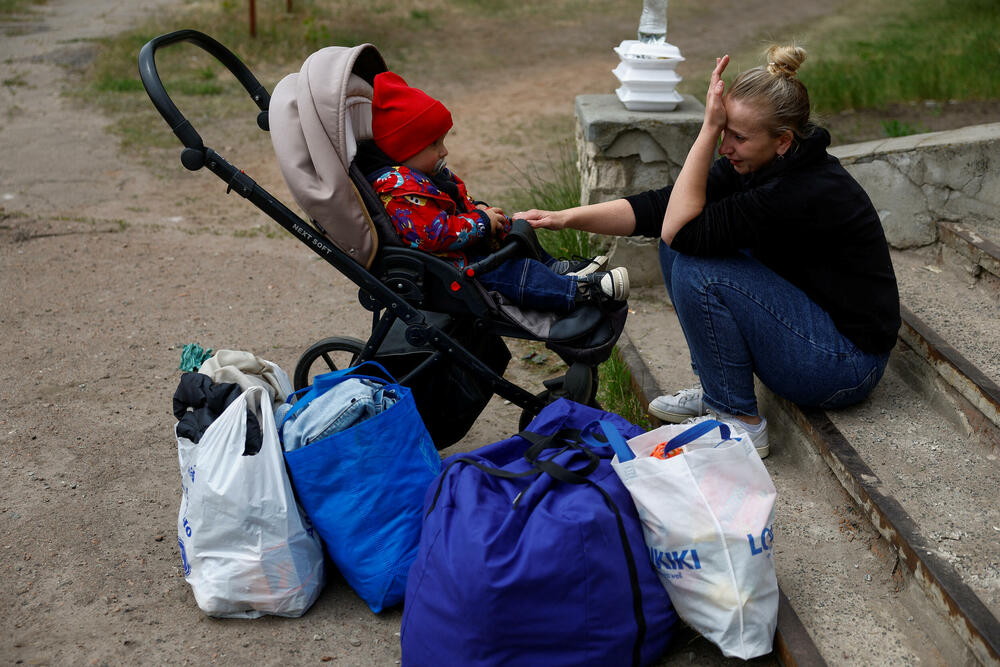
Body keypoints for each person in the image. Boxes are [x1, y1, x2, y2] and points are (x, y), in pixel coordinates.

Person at [516, 45, 900, 458]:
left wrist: (704, 131)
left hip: (844, 365)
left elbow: (678, 229)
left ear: (783, 140)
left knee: (697, 267)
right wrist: (563, 217)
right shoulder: (765, 164)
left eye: (736, 136)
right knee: (677, 248)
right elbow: (662, 207)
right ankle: (719, 388)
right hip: (814, 327)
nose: (724, 147)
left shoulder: (799, 191)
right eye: (722, 132)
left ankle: (740, 420)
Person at [354, 71, 628, 313]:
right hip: (452, 267)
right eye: (434, 144)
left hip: (467, 251)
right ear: (406, 149)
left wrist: (480, 211)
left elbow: (457, 202)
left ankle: (556, 269)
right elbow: (434, 235)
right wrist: (481, 222)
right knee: (514, 272)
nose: (444, 151)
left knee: (517, 231)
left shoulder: (425, 175)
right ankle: (579, 291)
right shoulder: (400, 189)